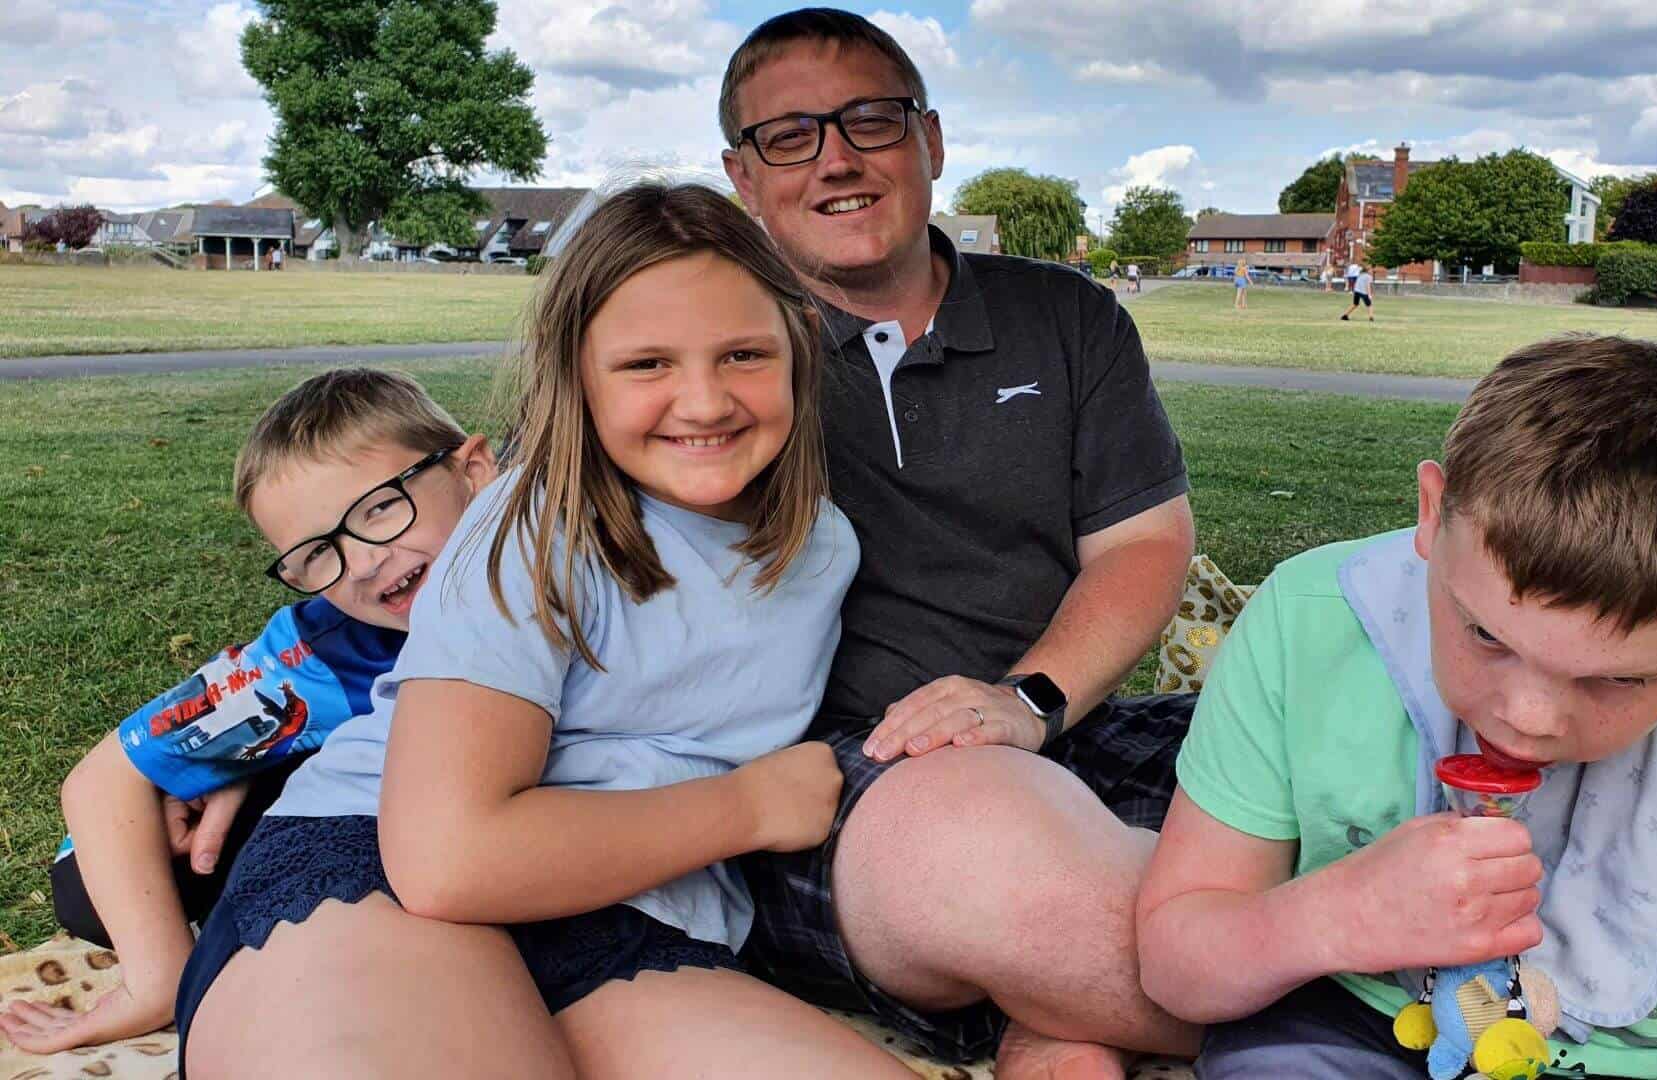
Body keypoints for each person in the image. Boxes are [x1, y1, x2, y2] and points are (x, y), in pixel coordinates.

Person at [174, 182, 912, 1078]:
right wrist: (752, 807)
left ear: (797, 346)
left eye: (744, 354)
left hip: (633, 916)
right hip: (377, 860)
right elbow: (450, 859)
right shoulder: (532, 522)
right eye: (647, 365)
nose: (705, 401)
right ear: (576, 375)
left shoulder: (824, 547)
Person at [1136, 336, 1657, 1078]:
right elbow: (1177, 965)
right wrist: (1334, 915)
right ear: (1432, 514)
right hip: (1350, 1025)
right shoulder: (1312, 615)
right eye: (1485, 634)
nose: (1529, 717)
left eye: (1620, 680)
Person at [719, 10, 1199, 1076]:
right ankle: (1401, 1003)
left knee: (1330, 742)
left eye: (870, 122)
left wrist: (1027, 703)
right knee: (986, 837)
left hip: (1067, 720)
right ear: (742, 178)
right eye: (789, 136)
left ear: (930, 143)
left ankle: (1052, 1019)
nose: (836, 157)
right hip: (855, 777)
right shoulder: (712, 351)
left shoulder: (1068, 319)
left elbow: (1145, 544)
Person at [0, 369, 487, 1054]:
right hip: (149, 860)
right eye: (318, 553)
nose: (364, 563)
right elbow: (100, 781)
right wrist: (157, 976)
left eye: (380, 507)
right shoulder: (320, 657)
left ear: (476, 469)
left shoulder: (561, 555)